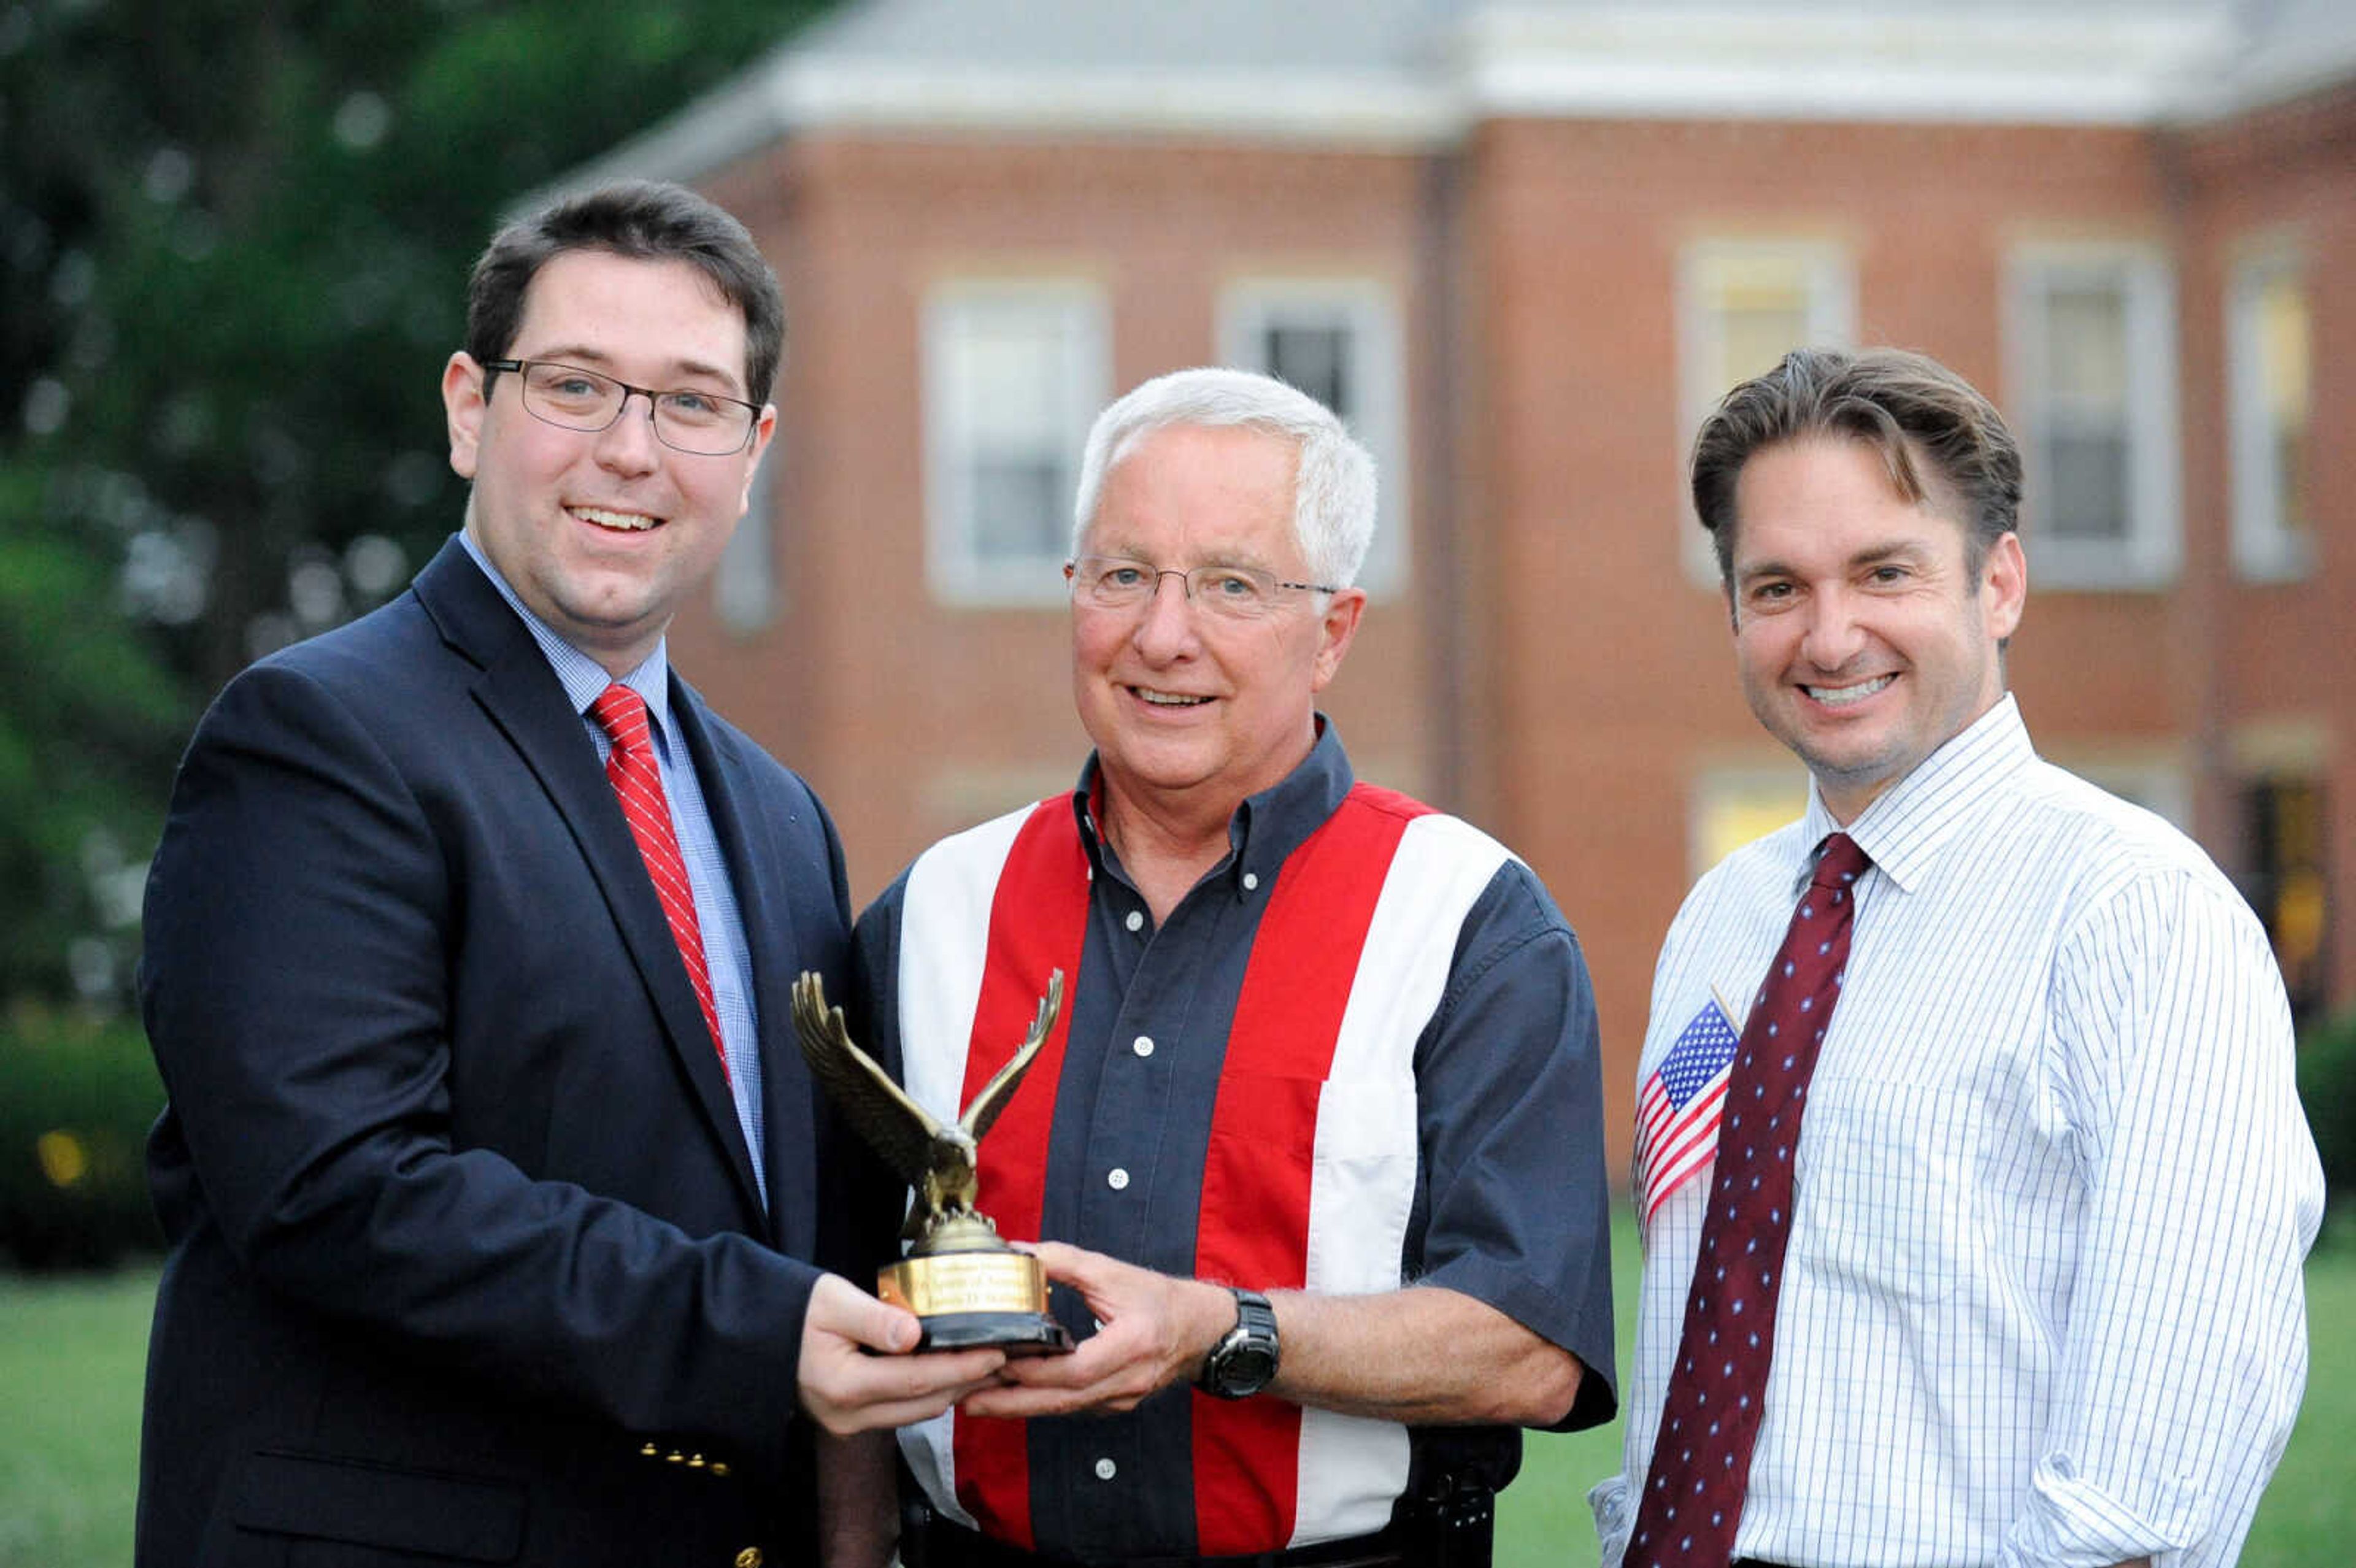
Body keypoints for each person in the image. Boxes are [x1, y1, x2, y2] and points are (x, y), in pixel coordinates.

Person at [134, 180, 1002, 1568]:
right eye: (579, 386)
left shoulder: (780, 821)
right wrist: (751, 1330)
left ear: (756, 447)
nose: (631, 452)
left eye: (692, 403)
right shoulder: (315, 741)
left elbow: (815, 1230)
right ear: (472, 408)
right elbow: (336, 1186)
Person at [851, 367, 1618, 1568]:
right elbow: (837, 1303)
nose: (1164, 633)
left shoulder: (1468, 926)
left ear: (1334, 632)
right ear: (1074, 595)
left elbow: (1532, 1345)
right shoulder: (932, 913)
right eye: (1122, 575)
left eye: (1231, 585)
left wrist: (1220, 1331)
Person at [1592, 346, 2325, 1568]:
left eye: (1887, 572)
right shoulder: (1724, 918)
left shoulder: (2135, 917)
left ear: (2000, 585)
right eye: (1778, 587)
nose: (1831, 638)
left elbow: (2164, 1461)